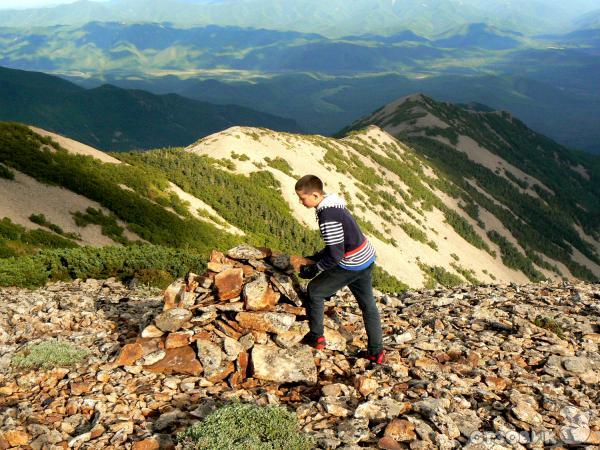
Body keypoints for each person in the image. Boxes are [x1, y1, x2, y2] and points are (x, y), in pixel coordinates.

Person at [295, 174, 385, 364]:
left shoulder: (327, 216)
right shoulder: (334, 205)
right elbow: (337, 245)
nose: (301, 201)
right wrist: (315, 258)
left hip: (351, 264)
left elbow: (336, 255)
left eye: (303, 198)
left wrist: (315, 268)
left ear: (315, 195)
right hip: (366, 258)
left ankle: (316, 337)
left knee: (315, 291)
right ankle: (376, 352)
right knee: (368, 306)